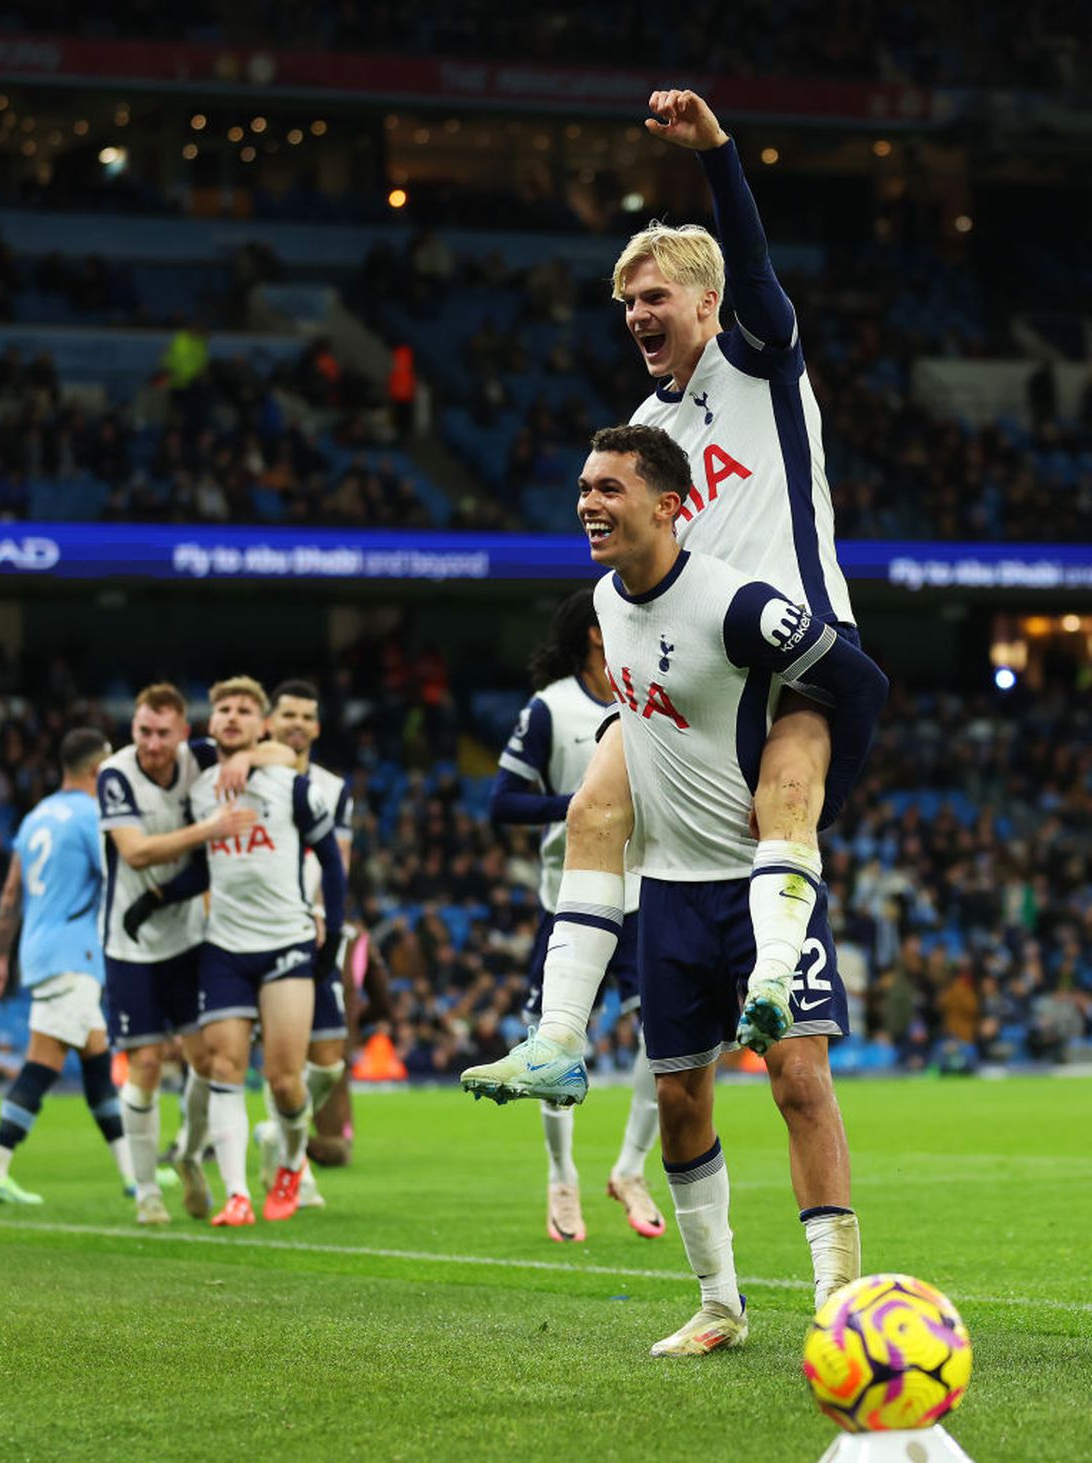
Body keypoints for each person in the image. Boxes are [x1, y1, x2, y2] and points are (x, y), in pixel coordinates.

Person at [465, 89, 857, 1102]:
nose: (637, 314)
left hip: (792, 639)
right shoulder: (647, 425)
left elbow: (758, 266)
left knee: (787, 794)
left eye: (655, 297)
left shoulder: (759, 359)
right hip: (695, 653)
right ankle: (556, 1037)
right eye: (627, 301)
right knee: (595, 806)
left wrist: (718, 151)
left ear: (706, 305)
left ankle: (772, 981)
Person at [484, 426, 885, 1352]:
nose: (589, 501)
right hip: (664, 891)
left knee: (798, 1078)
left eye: (610, 488)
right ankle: (720, 1303)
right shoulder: (603, 603)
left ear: (669, 505)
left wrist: (817, 796)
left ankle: (838, 1294)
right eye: (583, 486)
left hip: (759, 886)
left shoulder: (736, 604)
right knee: (678, 1100)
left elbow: (861, 685)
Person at [485, 590, 665, 1243]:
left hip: (651, 889)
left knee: (669, 1039)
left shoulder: (654, 690)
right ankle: (562, 1178)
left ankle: (631, 1168)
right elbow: (502, 801)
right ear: (597, 632)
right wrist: (586, 804)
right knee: (556, 1045)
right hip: (570, 896)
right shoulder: (550, 708)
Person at [98, 682, 289, 1226]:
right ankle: (145, 1192)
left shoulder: (199, 758)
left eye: (162, 733)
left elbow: (283, 754)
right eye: (143, 732)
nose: (152, 744)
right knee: (148, 1064)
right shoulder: (116, 774)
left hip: (189, 937)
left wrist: (249, 753)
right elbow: (134, 853)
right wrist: (210, 828)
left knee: (207, 1061)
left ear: (184, 733)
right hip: (130, 944)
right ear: (132, 730)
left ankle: (188, 1153)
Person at [185, 677, 346, 1227]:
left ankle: (292, 1163)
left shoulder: (292, 785)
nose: (231, 717)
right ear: (210, 723)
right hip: (224, 945)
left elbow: (333, 862)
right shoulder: (198, 788)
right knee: (224, 1067)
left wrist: (334, 932)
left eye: (244, 711)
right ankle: (235, 1194)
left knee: (284, 1079)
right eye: (222, 709)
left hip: (284, 943)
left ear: (264, 726)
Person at [0, 728, 135, 1205]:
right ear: (98, 771)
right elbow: (121, 874)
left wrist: (0, 955)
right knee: (42, 1065)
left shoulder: (37, 816)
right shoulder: (92, 816)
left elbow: (9, 895)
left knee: (98, 1063)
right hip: (74, 955)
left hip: (40, 951)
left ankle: (134, 1174)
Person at [252, 679, 354, 1209]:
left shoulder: (333, 788)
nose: (296, 723)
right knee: (275, 1057)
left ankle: (275, 1133)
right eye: (286, 714)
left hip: (312, 925)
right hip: (255, 929)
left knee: (328, 1059)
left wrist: (321, 913)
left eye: (306, 716)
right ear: (269, 723)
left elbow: (337, 857)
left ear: (317, 727)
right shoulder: (249, 778)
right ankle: (295, 1165)